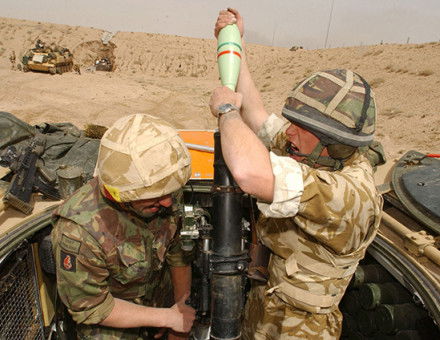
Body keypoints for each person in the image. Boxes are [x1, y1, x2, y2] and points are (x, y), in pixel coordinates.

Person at [210, 9, 383, 339]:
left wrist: (226, 111)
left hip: (304, 326)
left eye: (300, 126)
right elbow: (258, 115)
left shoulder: (350, 194)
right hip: (269, 298)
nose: (288, 132)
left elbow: (249, 173)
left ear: (332, 142)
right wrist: (236, 45)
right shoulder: (314, 150)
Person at [51, 114, 196, 339]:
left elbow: (178, 255)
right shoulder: (78, 233)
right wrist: (166, 318)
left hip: (160, 305)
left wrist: (180, 312)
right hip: (112, 324)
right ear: (118, 195)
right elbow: (92, 307)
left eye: (169, 193)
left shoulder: (159, 185)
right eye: (155, 198)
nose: (167, 202)